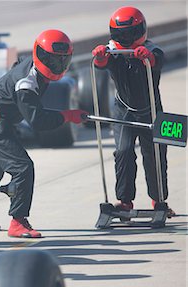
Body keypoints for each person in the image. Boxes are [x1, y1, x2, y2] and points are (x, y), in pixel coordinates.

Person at [0, 29, 88, 238]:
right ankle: (18, 221)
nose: (57, 66)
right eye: (52, 60)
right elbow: (37, 121)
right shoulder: (26, 83)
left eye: (61, 61)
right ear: (40, 54)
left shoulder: (36, 70)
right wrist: (67, 115)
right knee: (22, 167)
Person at [92, 6, 173, 215]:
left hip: (152, 110)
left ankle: (159, 199)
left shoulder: (152, 50)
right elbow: (102, 64)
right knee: (123, 153)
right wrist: (100, 55)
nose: (126, 39)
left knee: (155, 155)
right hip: (123, 111)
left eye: (130, 34)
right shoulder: (114, 52)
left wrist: (146, 57)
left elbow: (157, 60)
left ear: (140, 31)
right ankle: (125, 201)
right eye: (121, 35)